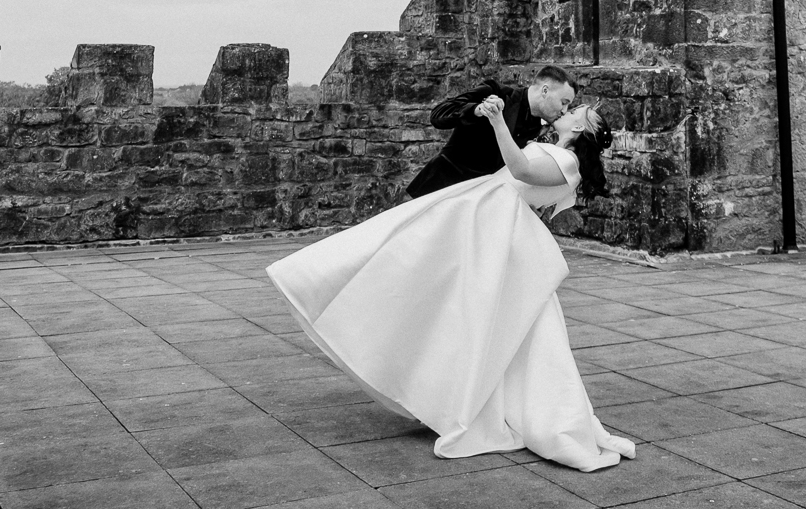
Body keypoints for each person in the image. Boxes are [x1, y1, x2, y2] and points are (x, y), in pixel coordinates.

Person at [266, 97, 635, 472]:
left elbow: (521, 169)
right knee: (413, 270)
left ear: (579, 129)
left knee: (505, 327)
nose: (567, 111)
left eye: (575, 112)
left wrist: (497, 122)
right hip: (483, 219)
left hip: (498, 232)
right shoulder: (557, 152)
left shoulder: (569, 163)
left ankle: (511, 408)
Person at [404, 65, 577, 198]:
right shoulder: (495, 91)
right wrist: (478, 110)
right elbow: (438, 114)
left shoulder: (542, 129)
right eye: (564, 102)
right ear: (545, 90)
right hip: (439, 189)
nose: (564, 110)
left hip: (478, 205)